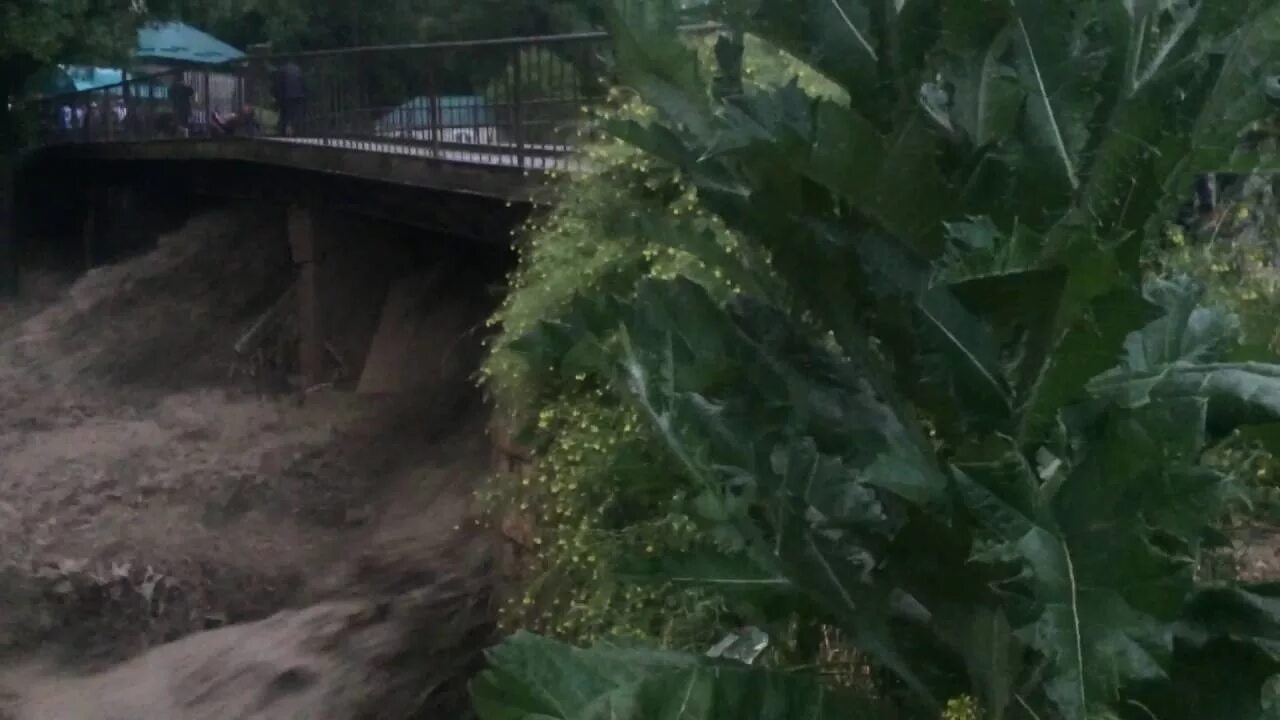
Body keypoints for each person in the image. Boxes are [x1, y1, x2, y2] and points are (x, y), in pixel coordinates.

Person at [271, 61, 306, 136]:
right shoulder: (297, 69)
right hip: (298, 95)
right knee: (294, 114)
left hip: (287, 96)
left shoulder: (281, 71)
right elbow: (302, 83)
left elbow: (277, 86)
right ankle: (294, 130)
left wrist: (277, 97)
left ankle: (285, 131)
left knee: (285, 114)